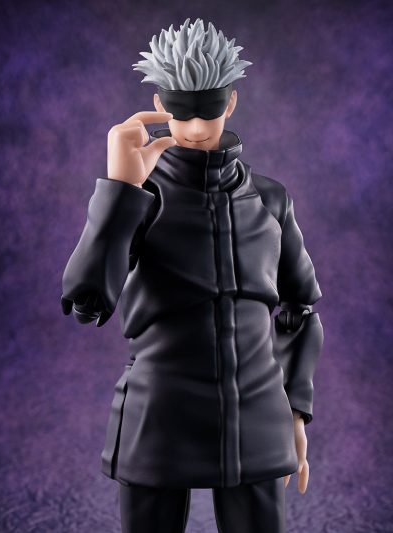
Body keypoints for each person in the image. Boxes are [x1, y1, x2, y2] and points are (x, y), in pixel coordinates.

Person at [61, 17, 324, 533]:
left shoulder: (270, 199)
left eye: (209, 108)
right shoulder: (140, 198)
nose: (198, 128)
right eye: (181, 110)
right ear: (159, 105)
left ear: (231, 102)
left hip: (256, 414)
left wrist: (295, 411)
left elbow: (299, 310)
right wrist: (119, 192)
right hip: (160, 412)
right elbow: (88, 303)